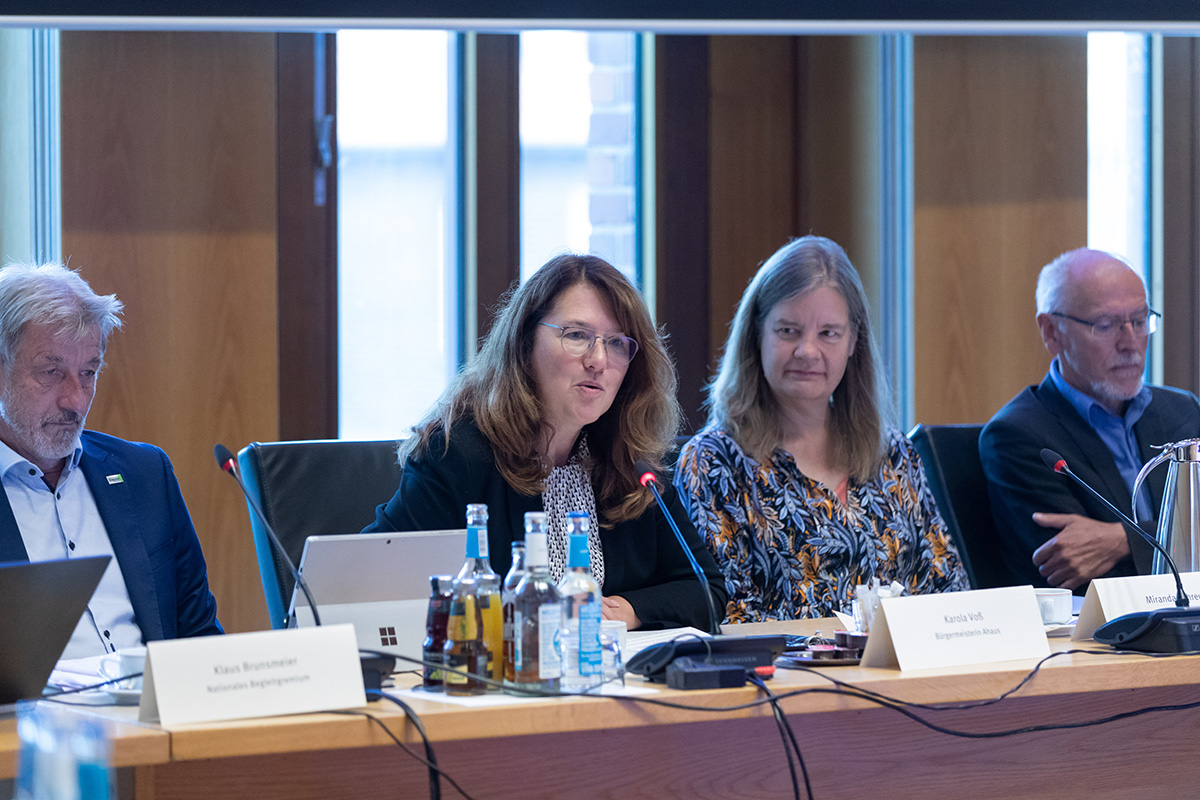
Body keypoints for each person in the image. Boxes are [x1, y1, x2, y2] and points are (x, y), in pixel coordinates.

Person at [365, 253, 726, 631]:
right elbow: (369, 586)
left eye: (617, 343)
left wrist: (627, 610)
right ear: (525, 343)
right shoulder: (456, 454)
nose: (599, 360)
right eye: (577, 335)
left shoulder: (631, 462)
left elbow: (707, 591)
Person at [675, 236, 968, 623]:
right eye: (788, 331)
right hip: (784, 664)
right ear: (756, 335)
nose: (807, 351)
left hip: (905, 661)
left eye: (828, 333)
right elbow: (726, 615)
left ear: (853, 342)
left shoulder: (892, 451)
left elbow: (950, 591)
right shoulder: (713, 463)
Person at [0, 262, 221, 659]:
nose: (76, 400)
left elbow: (200, 636)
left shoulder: (144, 474)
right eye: (51, 372)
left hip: (156, 696)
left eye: (89, 372)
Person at [980, 248, 1200, 591]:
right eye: (1106, 325)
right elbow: (1083, 578)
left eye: (1140, 321)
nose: (1130, 343)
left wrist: (1122, 539)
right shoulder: (1017, 437)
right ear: (1051, 332)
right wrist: (1174, 541)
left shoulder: (1182, 410)